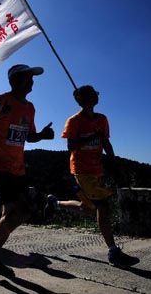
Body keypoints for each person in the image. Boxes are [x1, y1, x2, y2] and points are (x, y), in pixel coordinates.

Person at [44, 85, 139, 266]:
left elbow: (106, 142)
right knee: (103, 207)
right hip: (81, 170)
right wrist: (92, 136)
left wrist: (114, 162)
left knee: (87, 208)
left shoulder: (102, 119)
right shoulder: (73, 122)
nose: (96, 96)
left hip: (97, 170)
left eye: (96, 93)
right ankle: (113, 252)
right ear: (82, 99)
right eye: (92, 94)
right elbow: (71, 146)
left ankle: (55, 203)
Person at [0, 64, 54, 276]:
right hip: (0, 166)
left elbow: (29, 136)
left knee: (10, 212)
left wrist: (44, 135)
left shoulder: (30, 107)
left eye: (32, 78)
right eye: (28, 78)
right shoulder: (2, 100)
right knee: (24, 210)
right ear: (16, 80)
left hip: (18, 167)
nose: (32, 81)